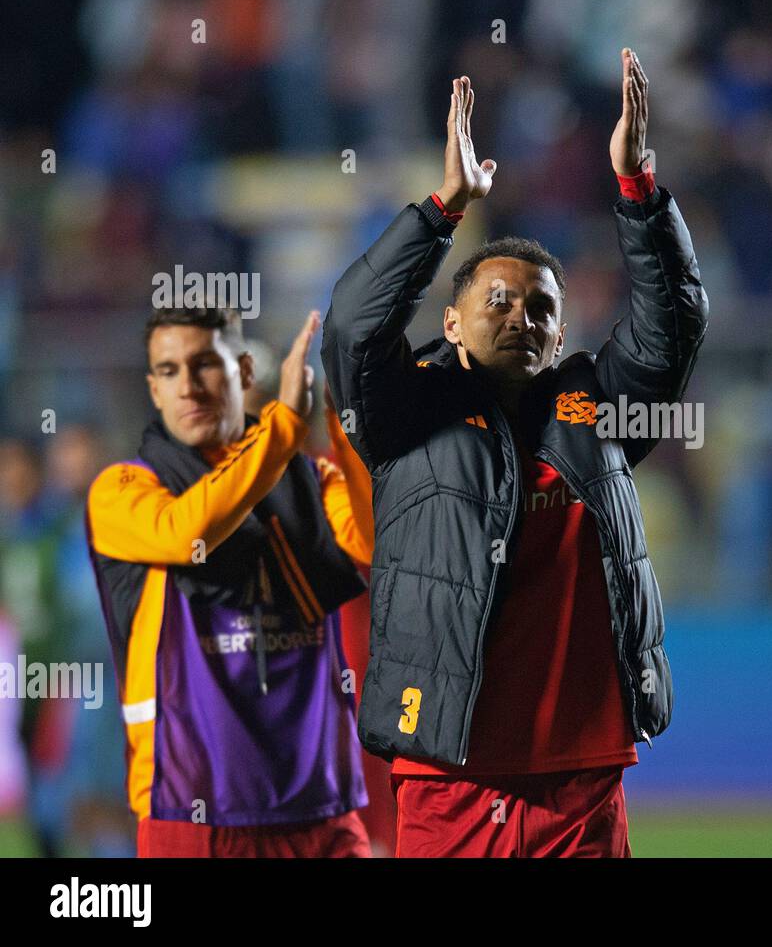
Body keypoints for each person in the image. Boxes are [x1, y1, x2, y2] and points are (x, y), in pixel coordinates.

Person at [322, 49, 708, 857]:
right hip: (452, 778)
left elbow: (672, 329)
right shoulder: (406, 415)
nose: (520, 315)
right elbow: (355, 329)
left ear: (562, 333)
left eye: (541, 307)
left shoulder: (595, 410)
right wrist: (443, 209)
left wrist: (637, 190)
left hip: (582, 777)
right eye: (495, 299)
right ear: (451, 324)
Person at [85, 304, 375, 857]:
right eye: (168, 372)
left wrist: (344, 416)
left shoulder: (312, 476)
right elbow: (184, 531)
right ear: (152, 390)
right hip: (194, 813)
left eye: (204, 365)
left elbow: (377, 545)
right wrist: (283, 427)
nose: (188, 387)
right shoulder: (122, 489)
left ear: (244, 373)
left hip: (322, 807)